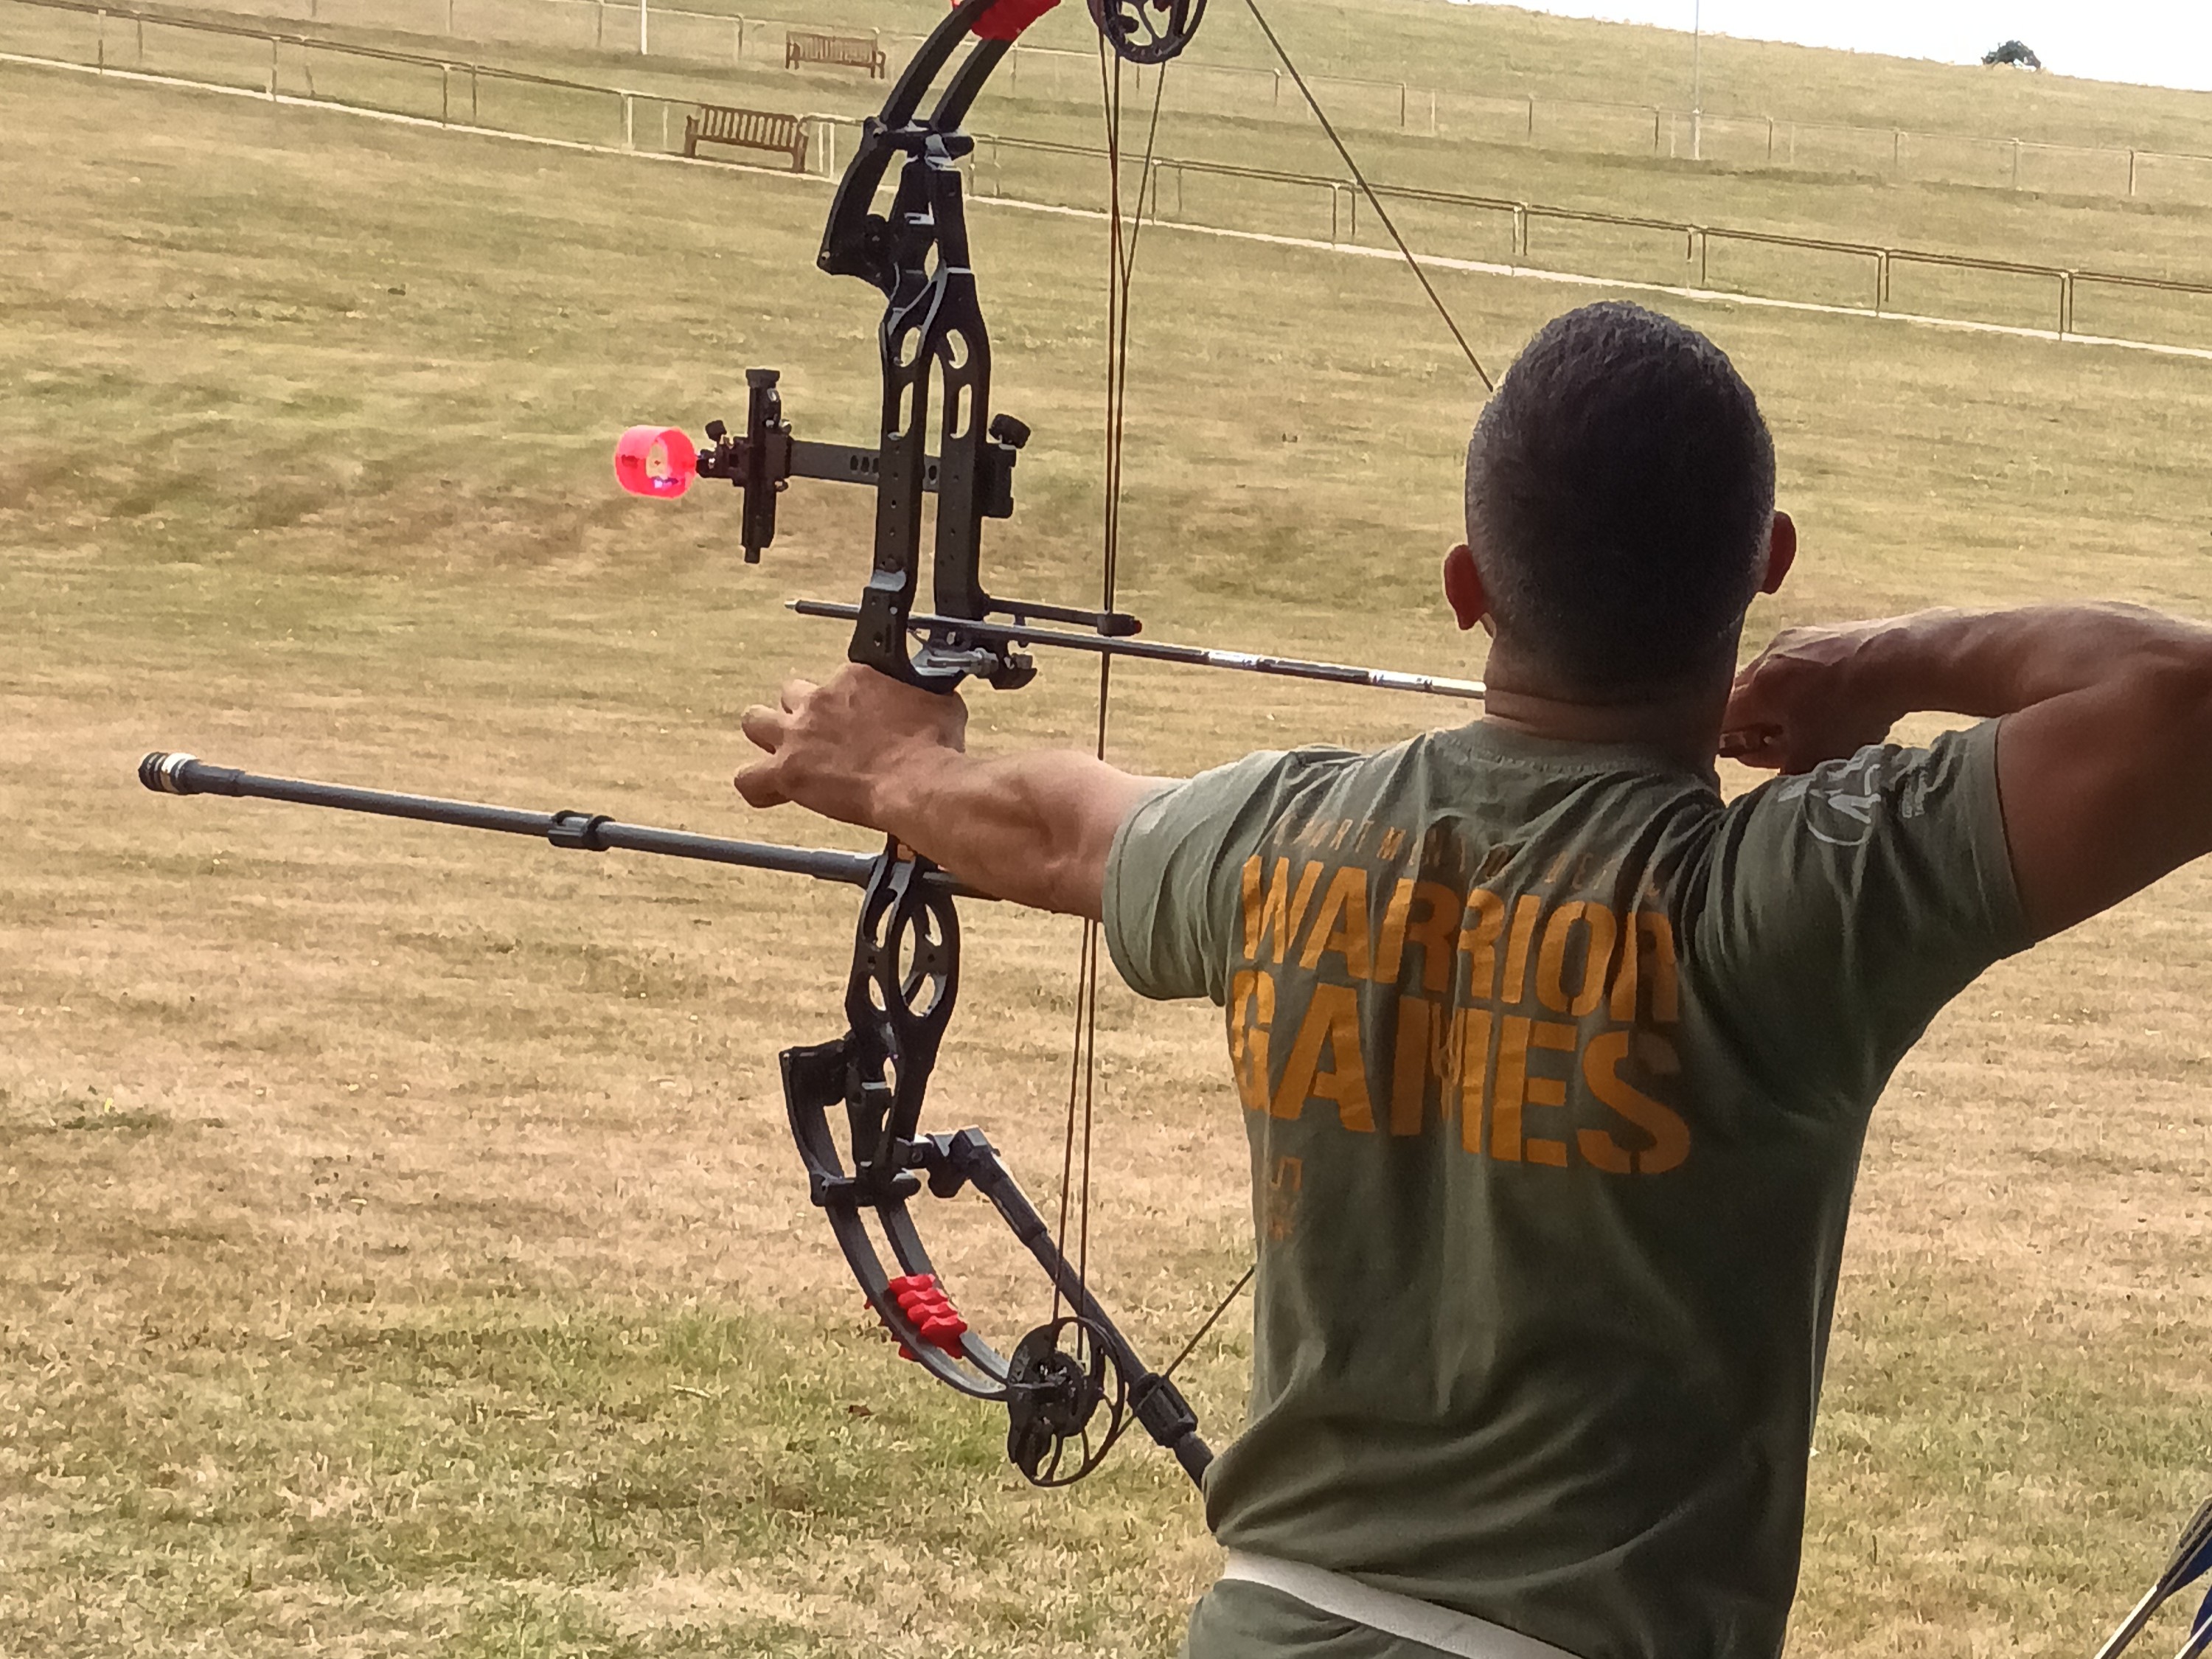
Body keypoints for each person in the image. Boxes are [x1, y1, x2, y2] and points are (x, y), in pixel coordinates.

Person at [731, 300, 2212, 1659]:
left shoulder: (1282, 842)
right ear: (1766, 568)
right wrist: (1888, 664)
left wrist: (891, 769)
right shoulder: (1794, 905)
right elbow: (2181, 704)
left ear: (1468, 588)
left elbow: (1062, 830)